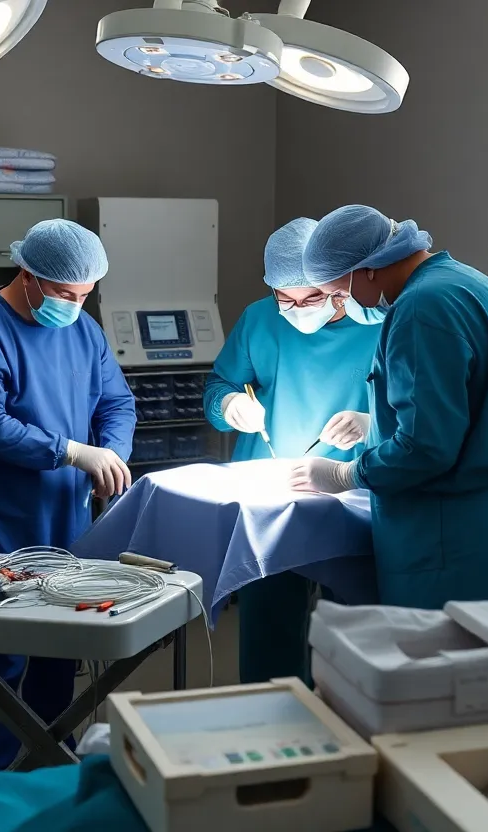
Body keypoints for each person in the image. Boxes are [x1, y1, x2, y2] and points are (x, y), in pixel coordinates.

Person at [290, 205, 488, 622]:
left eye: (339, 293)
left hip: (454, 537)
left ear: (368, 270)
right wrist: (378, 425)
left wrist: (344, 475)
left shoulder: (420, 308)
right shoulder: (478, 287)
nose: (342, 304)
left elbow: (425, 449)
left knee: (447, 677)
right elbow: (478, 409)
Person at [0, 218, 137, 770]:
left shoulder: (82, 329)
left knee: (59, 648)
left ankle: (51, 762)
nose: (75, 306)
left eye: (84, 295)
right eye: (65, 294)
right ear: (27, 275)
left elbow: (115, 402)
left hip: (67, 518)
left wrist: (110, 454)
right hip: (3, 518)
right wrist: (73, 452)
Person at [203, 218, 383, 684]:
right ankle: (270, 721)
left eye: (312, 298)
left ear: (338, 285)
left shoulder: (382, 326)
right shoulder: (260, 319)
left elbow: (413, 412)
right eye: (287, 300)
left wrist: (372, 423)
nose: (298, 310)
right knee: (268, 626)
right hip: (272, 492)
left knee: (353, 631)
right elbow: (218, 384)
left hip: (350, 490)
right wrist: (231, 403)